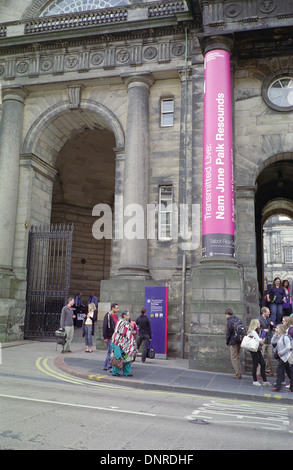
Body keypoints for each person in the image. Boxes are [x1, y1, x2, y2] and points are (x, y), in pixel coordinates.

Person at [111, 310, 137, 376]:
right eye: (128, 315)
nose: (129, 316)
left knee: (127, 357)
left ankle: (127, 372)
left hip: (126, 343)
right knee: (117, 357)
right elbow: (120, 333)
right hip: (118, 342)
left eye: (129, 315)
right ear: (124, 315)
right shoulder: (121, 322)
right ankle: (115, 372)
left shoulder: (127, 323)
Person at [246, 319, 270, 386]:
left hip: (257, 350)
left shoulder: (255, 331)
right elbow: (260, 341)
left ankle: (265, 381)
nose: (260, 324)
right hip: (254, 350)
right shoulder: (253, 332)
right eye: (259, 323)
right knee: (255, 365)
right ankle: (255, 380)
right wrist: (262, 340)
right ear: (255, 324)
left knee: (262, 364)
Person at [271, 323, 293, 392]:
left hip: (285, 357)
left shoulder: (285, 337)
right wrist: (275, 334)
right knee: (289, 372)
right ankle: (292, 387)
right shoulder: (279, 336)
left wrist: (281, 352)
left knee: (279, 370)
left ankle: (278, 386)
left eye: (277, 328)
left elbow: (288, 347)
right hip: (282, 357)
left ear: (280, 329)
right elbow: (272, 341)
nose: (276, 329)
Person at [225, 308, 243, 379]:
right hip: (240, 340)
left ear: (227, 314)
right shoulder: (238, 319)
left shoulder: (230, 321)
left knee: (234, 357)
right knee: (237, 357)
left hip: (233, 341)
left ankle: (237, 373)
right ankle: (239, 372)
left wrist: (227, 342)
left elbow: (228, 333)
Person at [102, 303, 119, 371]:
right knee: (110, 352)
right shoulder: (108, 315)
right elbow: (104, 327)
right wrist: (105, 337)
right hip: (109, 337)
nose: (118, 309)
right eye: (117, 308)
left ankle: (104, 366)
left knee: (110, 352)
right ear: (113, 308)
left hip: (114, 337)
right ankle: (109, 367)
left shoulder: (116, 316)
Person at [258, 306, 274, 376]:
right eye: (268, 312)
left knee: (270, 355)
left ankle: (268, 369)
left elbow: (271, 328)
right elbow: (256, 328)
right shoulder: (258, 319)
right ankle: (258, 372)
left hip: (269, 339)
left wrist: (272, 326)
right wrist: (262, 330)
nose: (269, 313)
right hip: (262, 340)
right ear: (263, 312)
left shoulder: (269, 319)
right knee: (260, 356)